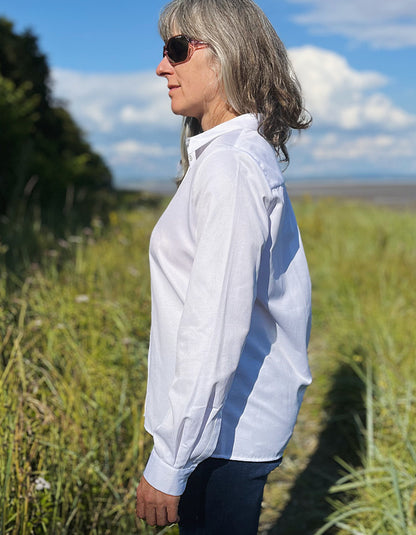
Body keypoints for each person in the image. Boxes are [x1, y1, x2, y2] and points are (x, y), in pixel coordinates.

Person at [136, 0, 312, 533]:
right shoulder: (223, 158)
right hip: (221, 429)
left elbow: (213, 326)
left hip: (223, 436)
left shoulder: (232, 167)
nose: (162, 67)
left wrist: (171, 459)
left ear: (227, 55)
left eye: (177, 49)